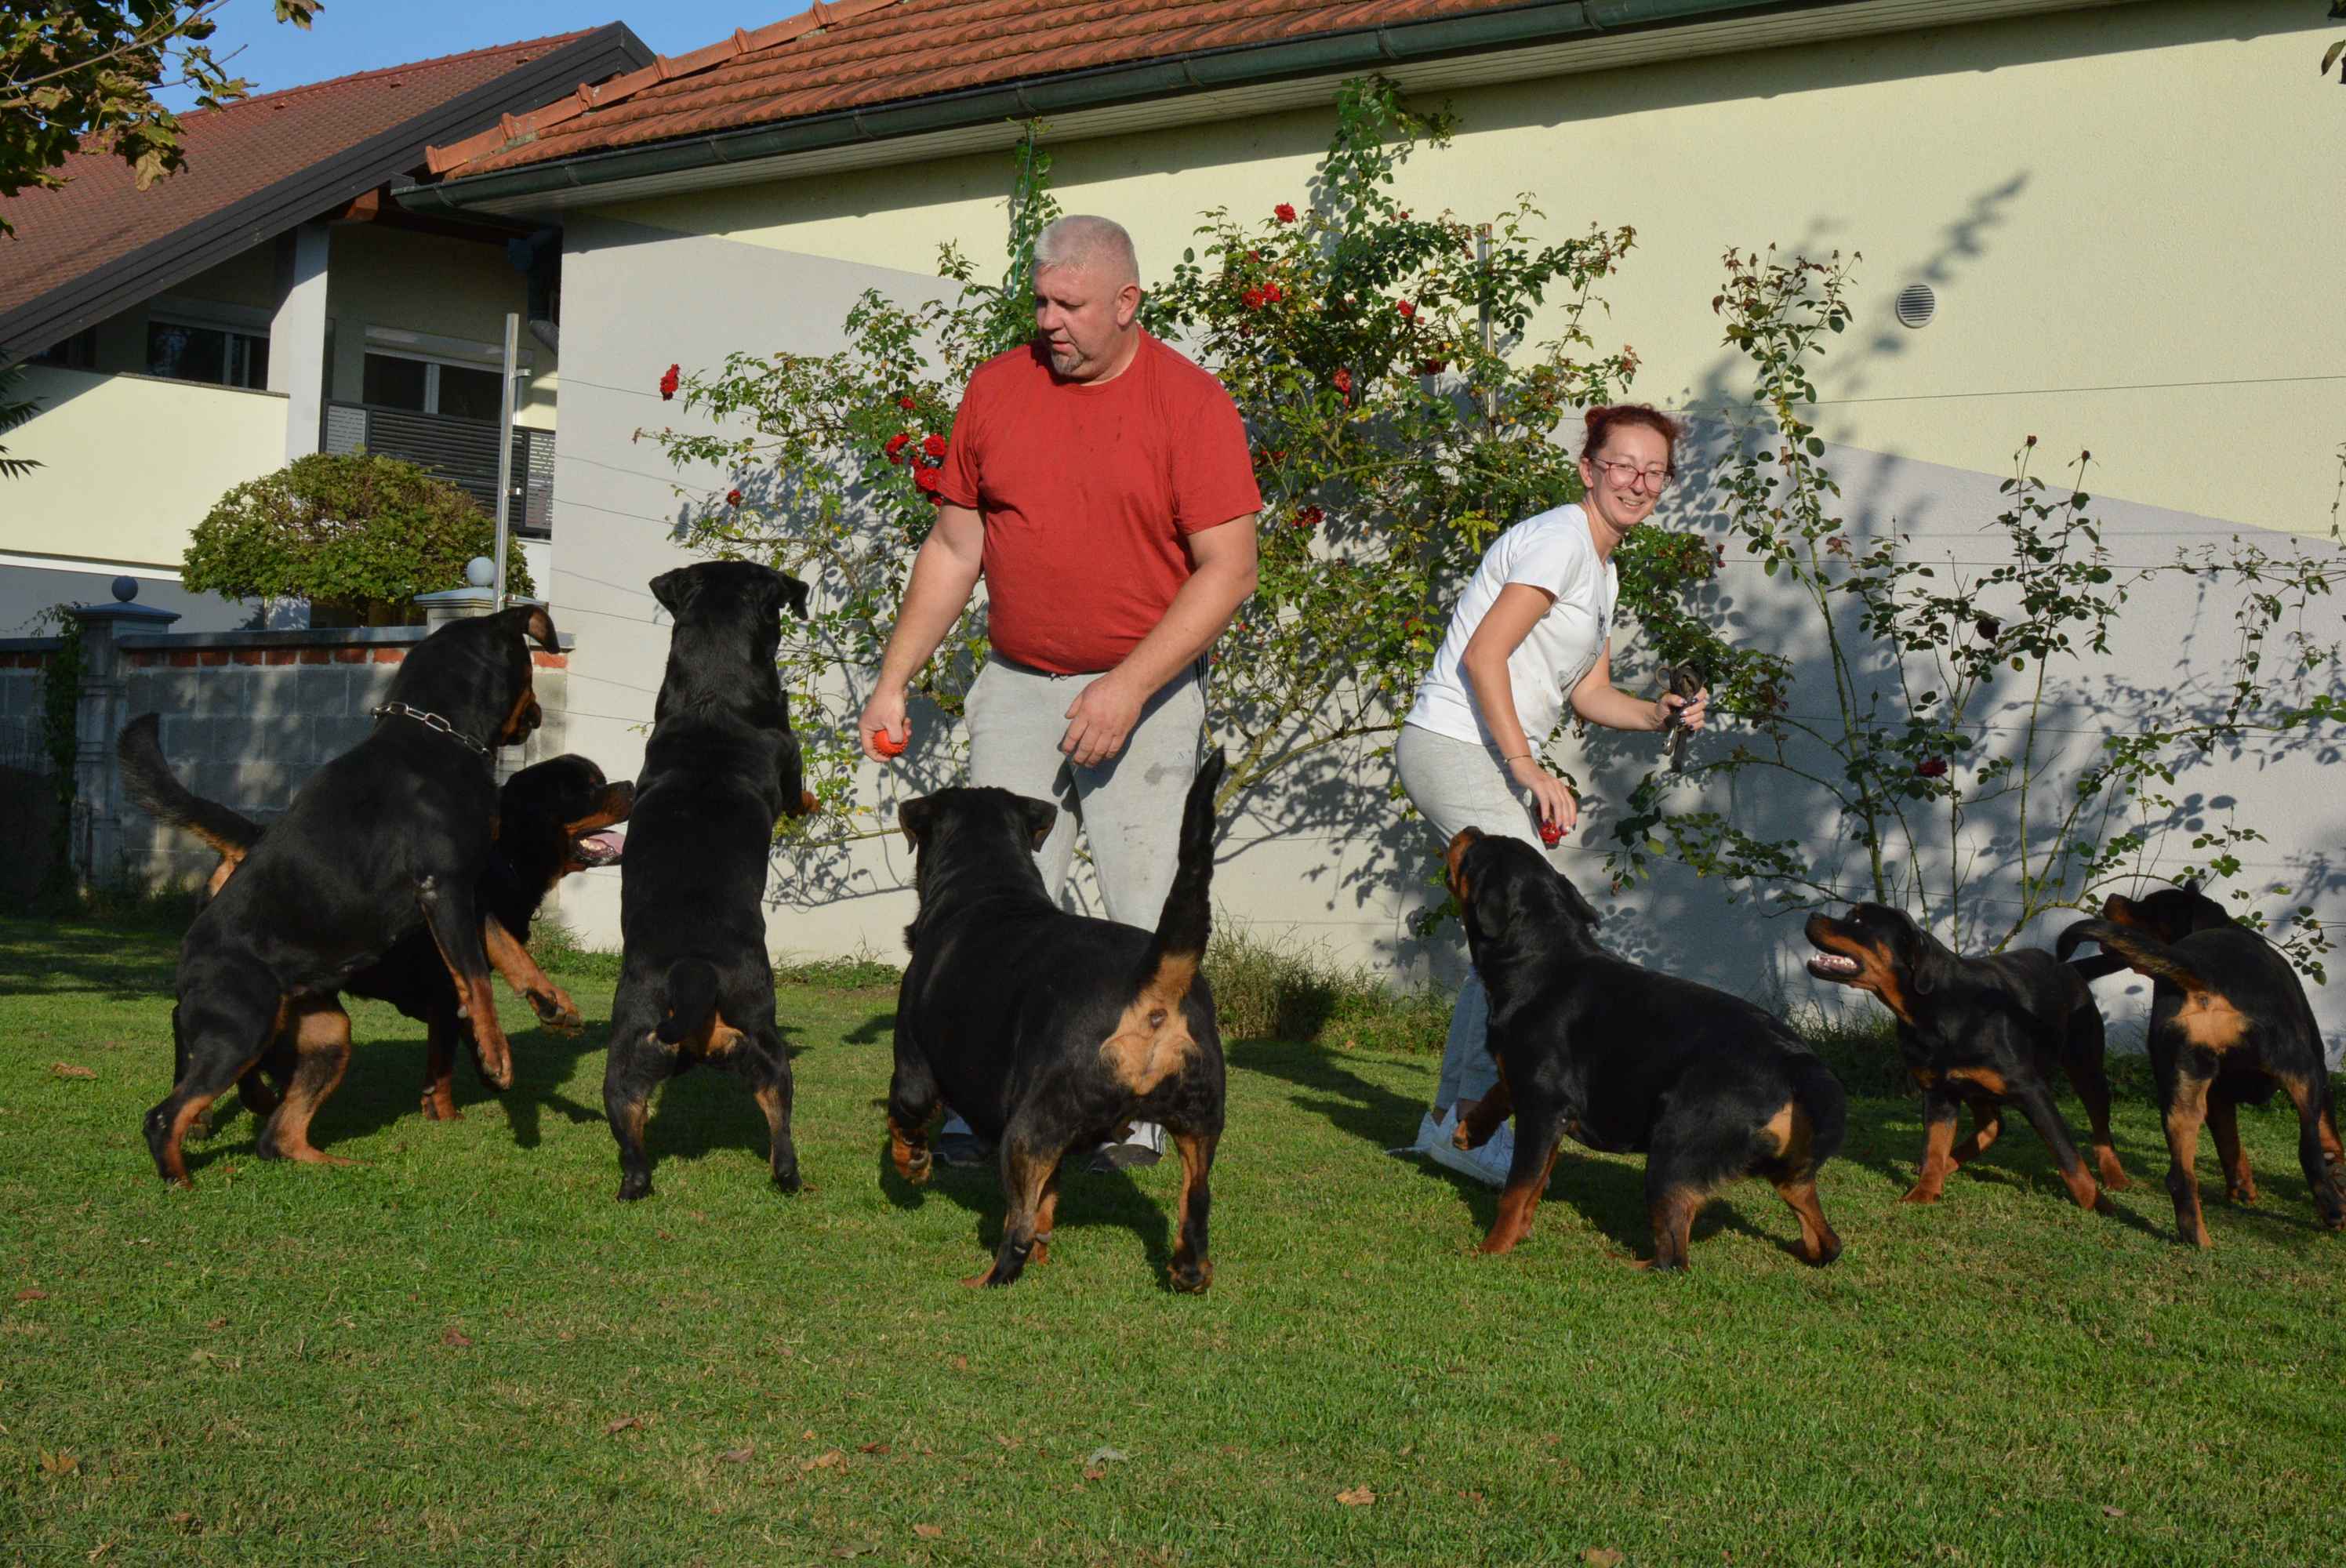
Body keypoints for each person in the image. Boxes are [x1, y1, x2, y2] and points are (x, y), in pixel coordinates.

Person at [857, 214, 1261, 1172]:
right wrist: (893, 676)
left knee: (1141, 906)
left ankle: (1138, 1115)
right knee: (989, 915)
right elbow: (956, 548)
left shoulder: (1191, 404)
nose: (1047, 321)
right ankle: (977, 1105)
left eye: (1068, 304)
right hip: (1016, 686)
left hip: (1148, 692)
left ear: (1127, 303)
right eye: (1039, 301)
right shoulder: (997, 389)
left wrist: (1127, 685)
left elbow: (1227, 570)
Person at [1396, 404, 1709, 1185]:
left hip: (1484, 752)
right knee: (1521, 935)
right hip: (1453, 743)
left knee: (1516, 935)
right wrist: (1527, 767)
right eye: (1621, 464)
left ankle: (1459, 1121)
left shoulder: (1600, 568)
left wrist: (1656, 712)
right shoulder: (1560, 540)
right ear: (1587, 468)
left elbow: (1590, 691)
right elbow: (1482, 653)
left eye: (1652, 470)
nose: (1637, 481)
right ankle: (1461, 1124)